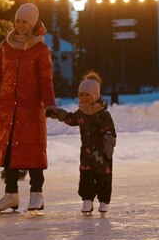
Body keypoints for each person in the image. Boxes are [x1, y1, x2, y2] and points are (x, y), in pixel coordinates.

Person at [0, 2, 56, 214]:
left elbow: (46, 81)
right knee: (10, 152)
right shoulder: (6, 46)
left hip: (31, 109)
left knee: (33, 151)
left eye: (25, 22)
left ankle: (36, 194)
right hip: (8, 108)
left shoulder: (40, 49)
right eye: (18, 21)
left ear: (33, 24)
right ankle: (11, 194)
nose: (20, 25)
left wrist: (50, 105)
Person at [48, 72, 116, 215]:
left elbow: (110, 129)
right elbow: (71, 119)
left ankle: (104, 201)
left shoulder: (102, 114)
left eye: (87, 95)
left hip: (101, 153)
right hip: (86, 153)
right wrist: (59, 113)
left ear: (95, 95)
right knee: (86, 176)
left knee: (103, 176)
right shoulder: (82, 112)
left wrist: (109, 141)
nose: (84, 98)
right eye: (81, 95)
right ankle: (87, 200)